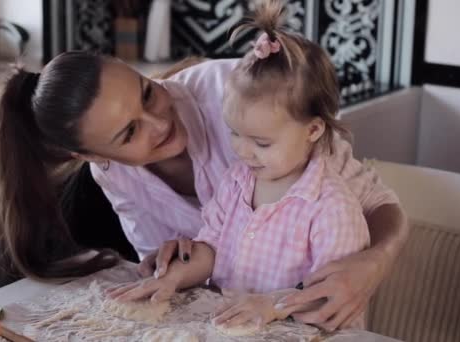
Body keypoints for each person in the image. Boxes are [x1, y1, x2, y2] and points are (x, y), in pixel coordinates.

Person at [0, 6, 408, 332]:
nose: (160, 123)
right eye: (129, 132)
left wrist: (375, 262)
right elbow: (198, 254)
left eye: (148, 93)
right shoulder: (134, 176)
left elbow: (375, 207)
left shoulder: (247, 101)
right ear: (94, 158)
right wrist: (171, 270)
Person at [106, 0, 371, 330]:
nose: (244, 152)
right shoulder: (236, 183)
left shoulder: (332, 208)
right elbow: (209, 250)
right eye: (235, 134)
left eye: (261, 143)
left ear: (313, 131)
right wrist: (173, 278)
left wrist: (273, 305)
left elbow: (331, 294)